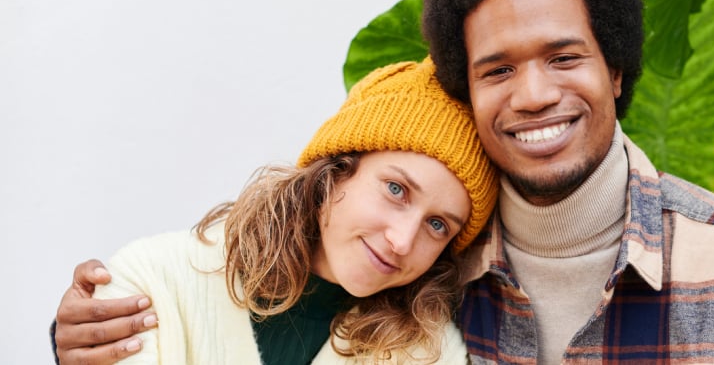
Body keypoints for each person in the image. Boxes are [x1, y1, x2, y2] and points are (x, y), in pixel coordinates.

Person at [54, 0, 714, 364]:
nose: (531, 95)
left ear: (616, 69)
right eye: (496, 69)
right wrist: (86, 336)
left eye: (564, 57)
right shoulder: (437, 268)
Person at [52, 58, 498, 364]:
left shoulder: (431, 351)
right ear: (336, 171)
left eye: (438, 225)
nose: (403, 241)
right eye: (396, 189)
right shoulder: (152, 279)